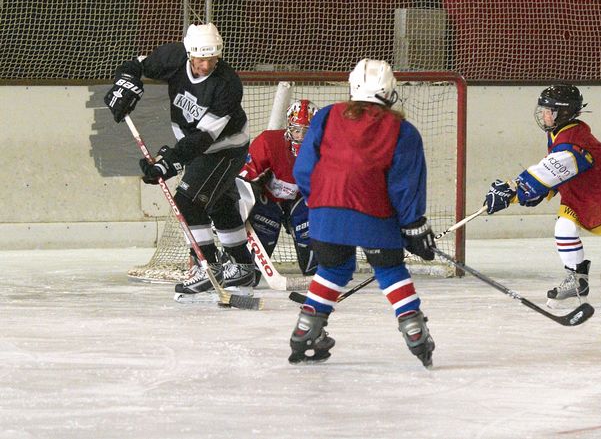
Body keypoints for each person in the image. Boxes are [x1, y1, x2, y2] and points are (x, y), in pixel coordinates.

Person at [288, 59, 438, 368]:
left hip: (325, 214)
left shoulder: (326, 116)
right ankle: (414, 330)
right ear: (390, 92)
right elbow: (405, 185)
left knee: (333, 268)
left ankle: (305, 330)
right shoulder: (403, 131)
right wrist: (413, 225)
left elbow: (304, 169)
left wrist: (321, 204)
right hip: (375, 216)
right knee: (390, 270)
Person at [483, 84, 601, 309]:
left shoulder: (573, 141)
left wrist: (513, 190)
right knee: (563, 228)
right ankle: (577, 279)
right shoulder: (559, 132)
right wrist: (540, 190)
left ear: (563, 113)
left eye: (549, 111)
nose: (543, 115)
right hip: (577, 195)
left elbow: (552, 169)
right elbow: (559, 170)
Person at [104, 23, 255, 295]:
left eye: (212, 59)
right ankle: (243, 267)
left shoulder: (228, 84)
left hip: (225, 148)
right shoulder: (173, 57)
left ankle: (207, 267)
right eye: (200, 59)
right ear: (189, 54)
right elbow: (137, 65)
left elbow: (203, 138)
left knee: (188, 201)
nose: (206, 65)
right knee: (218, 202)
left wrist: (169, 162)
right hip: (197, 146)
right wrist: (124, 82)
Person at [237, 99, 319, 276]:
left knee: (313, 260)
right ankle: (237, 265)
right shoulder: (269, 142)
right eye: (297, 130)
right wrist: (236, 213)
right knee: (251, 271)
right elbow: (244, 180)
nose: (301, 137)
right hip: (268, 199)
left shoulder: (326, 149)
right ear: (289, 128)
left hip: (301, 200)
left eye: (307, 132)